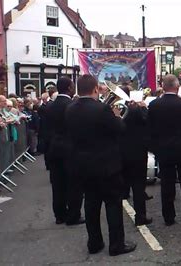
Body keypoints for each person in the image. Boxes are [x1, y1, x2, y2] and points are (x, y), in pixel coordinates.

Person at [66, 74, 136, 256]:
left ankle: (94, 243)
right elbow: (119, 130)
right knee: (113, 204)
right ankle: (116, 245)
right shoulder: (102, 109)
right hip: (107, 165)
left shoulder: (70, 109)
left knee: (91, 204)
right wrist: (117, 117)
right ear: (95, 89)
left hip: (83, 165)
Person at [148, 74, 181, 227]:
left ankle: (169, 217)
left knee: (167, 184)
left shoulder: (155, 105)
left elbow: (151, 129)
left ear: (163, 87)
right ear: (177, 87)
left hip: (164, 149)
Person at [46, 77, 84, 226]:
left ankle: (59, 215)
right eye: (73, 86)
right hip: (70, 149)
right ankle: (73, 215)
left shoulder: (50, 106)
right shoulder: (72, 105)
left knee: (57, 184)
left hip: (54, 148)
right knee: (73, 184)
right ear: (69, 88)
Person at [118, 85, 152, 226]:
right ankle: (140, 216)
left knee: (124, 179)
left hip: (121, 151)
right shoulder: (136, 109)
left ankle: (125, 194)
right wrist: (144, 107)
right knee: (138, 186)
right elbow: (148, 122)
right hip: (138, 151)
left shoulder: (117, 109)